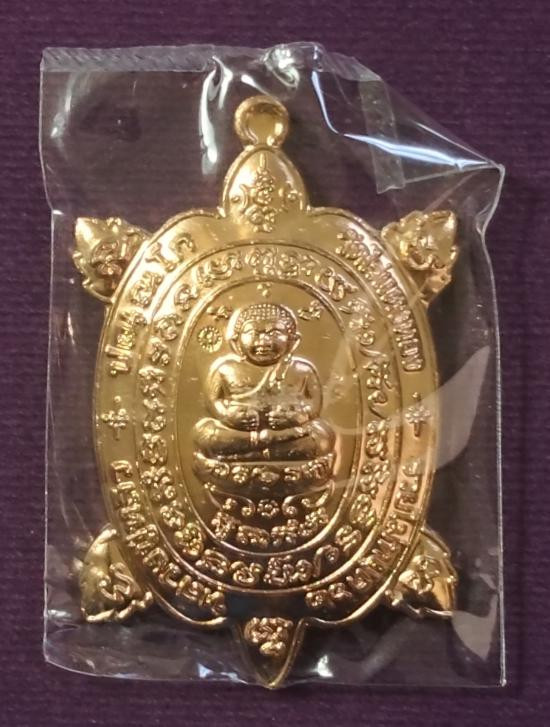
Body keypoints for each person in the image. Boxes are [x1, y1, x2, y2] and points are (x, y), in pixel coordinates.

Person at [193, 302, 335, 462]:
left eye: (274, 333)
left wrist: (298, 416)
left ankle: (253, 453)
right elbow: (213, 400)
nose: (264, 341)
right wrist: (226, 415)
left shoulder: (302, 370)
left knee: (322, 435)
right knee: (205, 432)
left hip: (288, 433)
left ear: (293, 341)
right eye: (252, 332)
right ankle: (267, 450)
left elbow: (314, 404)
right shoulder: (226, 368)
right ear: (235, 341)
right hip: (240, 433)